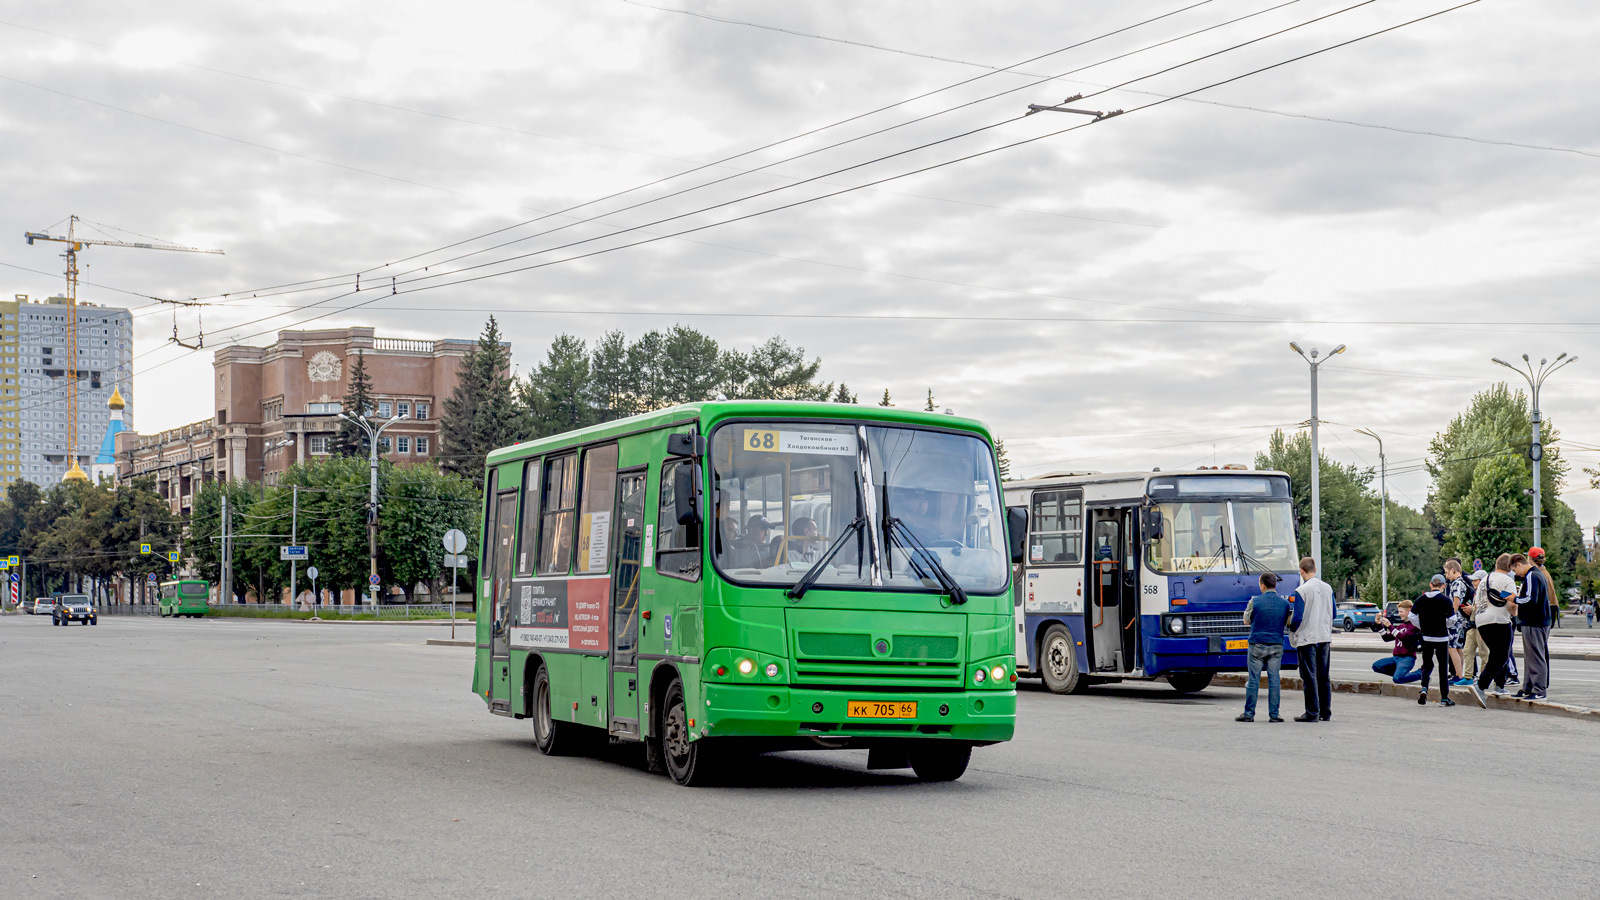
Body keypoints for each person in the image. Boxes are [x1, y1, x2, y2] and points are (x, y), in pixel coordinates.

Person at [1237, 572, 1301, 723]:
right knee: (1274, 679)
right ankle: (1274, 715)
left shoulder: (1255, 601)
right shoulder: (1285, 604)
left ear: (1262, 585)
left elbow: (1246, 621)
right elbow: (1288, 622)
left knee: (1254, 680)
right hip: (1276, 645)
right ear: (1275, 585)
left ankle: (1249, 714)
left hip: (1257, 644)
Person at [1468, 554, 1518, 708]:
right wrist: (1514, 612)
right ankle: (1481, 686)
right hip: (1499, 620)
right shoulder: (1507, 580)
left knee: (1497, 653)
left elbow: (1478, 601)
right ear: (1510, 567)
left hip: (1481, 621)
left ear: (1497, 565)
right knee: (1502, 655)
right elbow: (1512, 603)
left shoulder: (1485, 580)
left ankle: (1500, 685)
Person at [1290, 556, 1334, 722]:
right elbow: (1334, 613)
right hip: (1324, 636)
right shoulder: (1328, 588)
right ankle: (1326, 711)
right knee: (1323, 676)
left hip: (1307, 637)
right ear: (1314, 570)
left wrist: (1292, 629)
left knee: (1309, 676)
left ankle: (1312, 712)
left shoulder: (1302, 590)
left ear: (1302, 571)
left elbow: (1297, 618)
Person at [1511, 549, 1554, 701]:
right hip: (1539, 621)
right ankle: (1528, 688)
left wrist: (1513, 599)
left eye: (1515, 569)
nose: (1517, 573)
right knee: (1532, 656)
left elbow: (1530, 599)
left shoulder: (1532, 576)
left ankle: (1539, 690)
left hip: (1534, 622)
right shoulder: (1538, 574)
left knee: (1535, 656)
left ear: (1520, 564)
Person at [1411, 575, 1455, 706]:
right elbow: (1453, 619)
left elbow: (1411, 616)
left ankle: (1424, 688)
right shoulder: (1446, 600)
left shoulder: (1421, 600)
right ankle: (1444, 697)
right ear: (1443, 586)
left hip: (1426, 637)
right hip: (1442, 638)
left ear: (1430, 584)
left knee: (1426, 664)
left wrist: (1422, 626)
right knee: (1443, 667)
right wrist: (1443, 624)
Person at [1453, 570, 1490, 686]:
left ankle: (1484, 678)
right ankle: (1468, 676)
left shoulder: (1487, 592)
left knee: (1484, 653)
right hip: (1473, 625)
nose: (1473, 582)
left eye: (1475, 580)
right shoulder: (1477, 592)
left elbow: (1487, 607)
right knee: (1467, 651)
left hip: (1482, 626)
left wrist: (1472, 609)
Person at [1373, 599, 1423, 684]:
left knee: (1397, 679)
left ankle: (1421, 673)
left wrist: (1390, 626)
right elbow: (1386, 638)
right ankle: (1401, 674)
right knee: (1376, 666)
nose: (1399, 614)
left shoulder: (1414, 626)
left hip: (1407, 658)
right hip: (1396, 657)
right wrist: (1379, 625)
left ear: (1409, 611)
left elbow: (1404, 638)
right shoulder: (1400, 626)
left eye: (1401, 611)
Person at [1443, 559, 1473, 679]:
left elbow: (1456, 601)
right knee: (1459, 647)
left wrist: (1451, 616)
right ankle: (1460, 673)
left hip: (1456, 620)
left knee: (1452, 647)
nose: (1446, 575)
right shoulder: (1464, 582)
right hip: (1463, 620)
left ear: (1452, 570)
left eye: (1446, 572)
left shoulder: (1456, 583)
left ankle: (1458, 674)